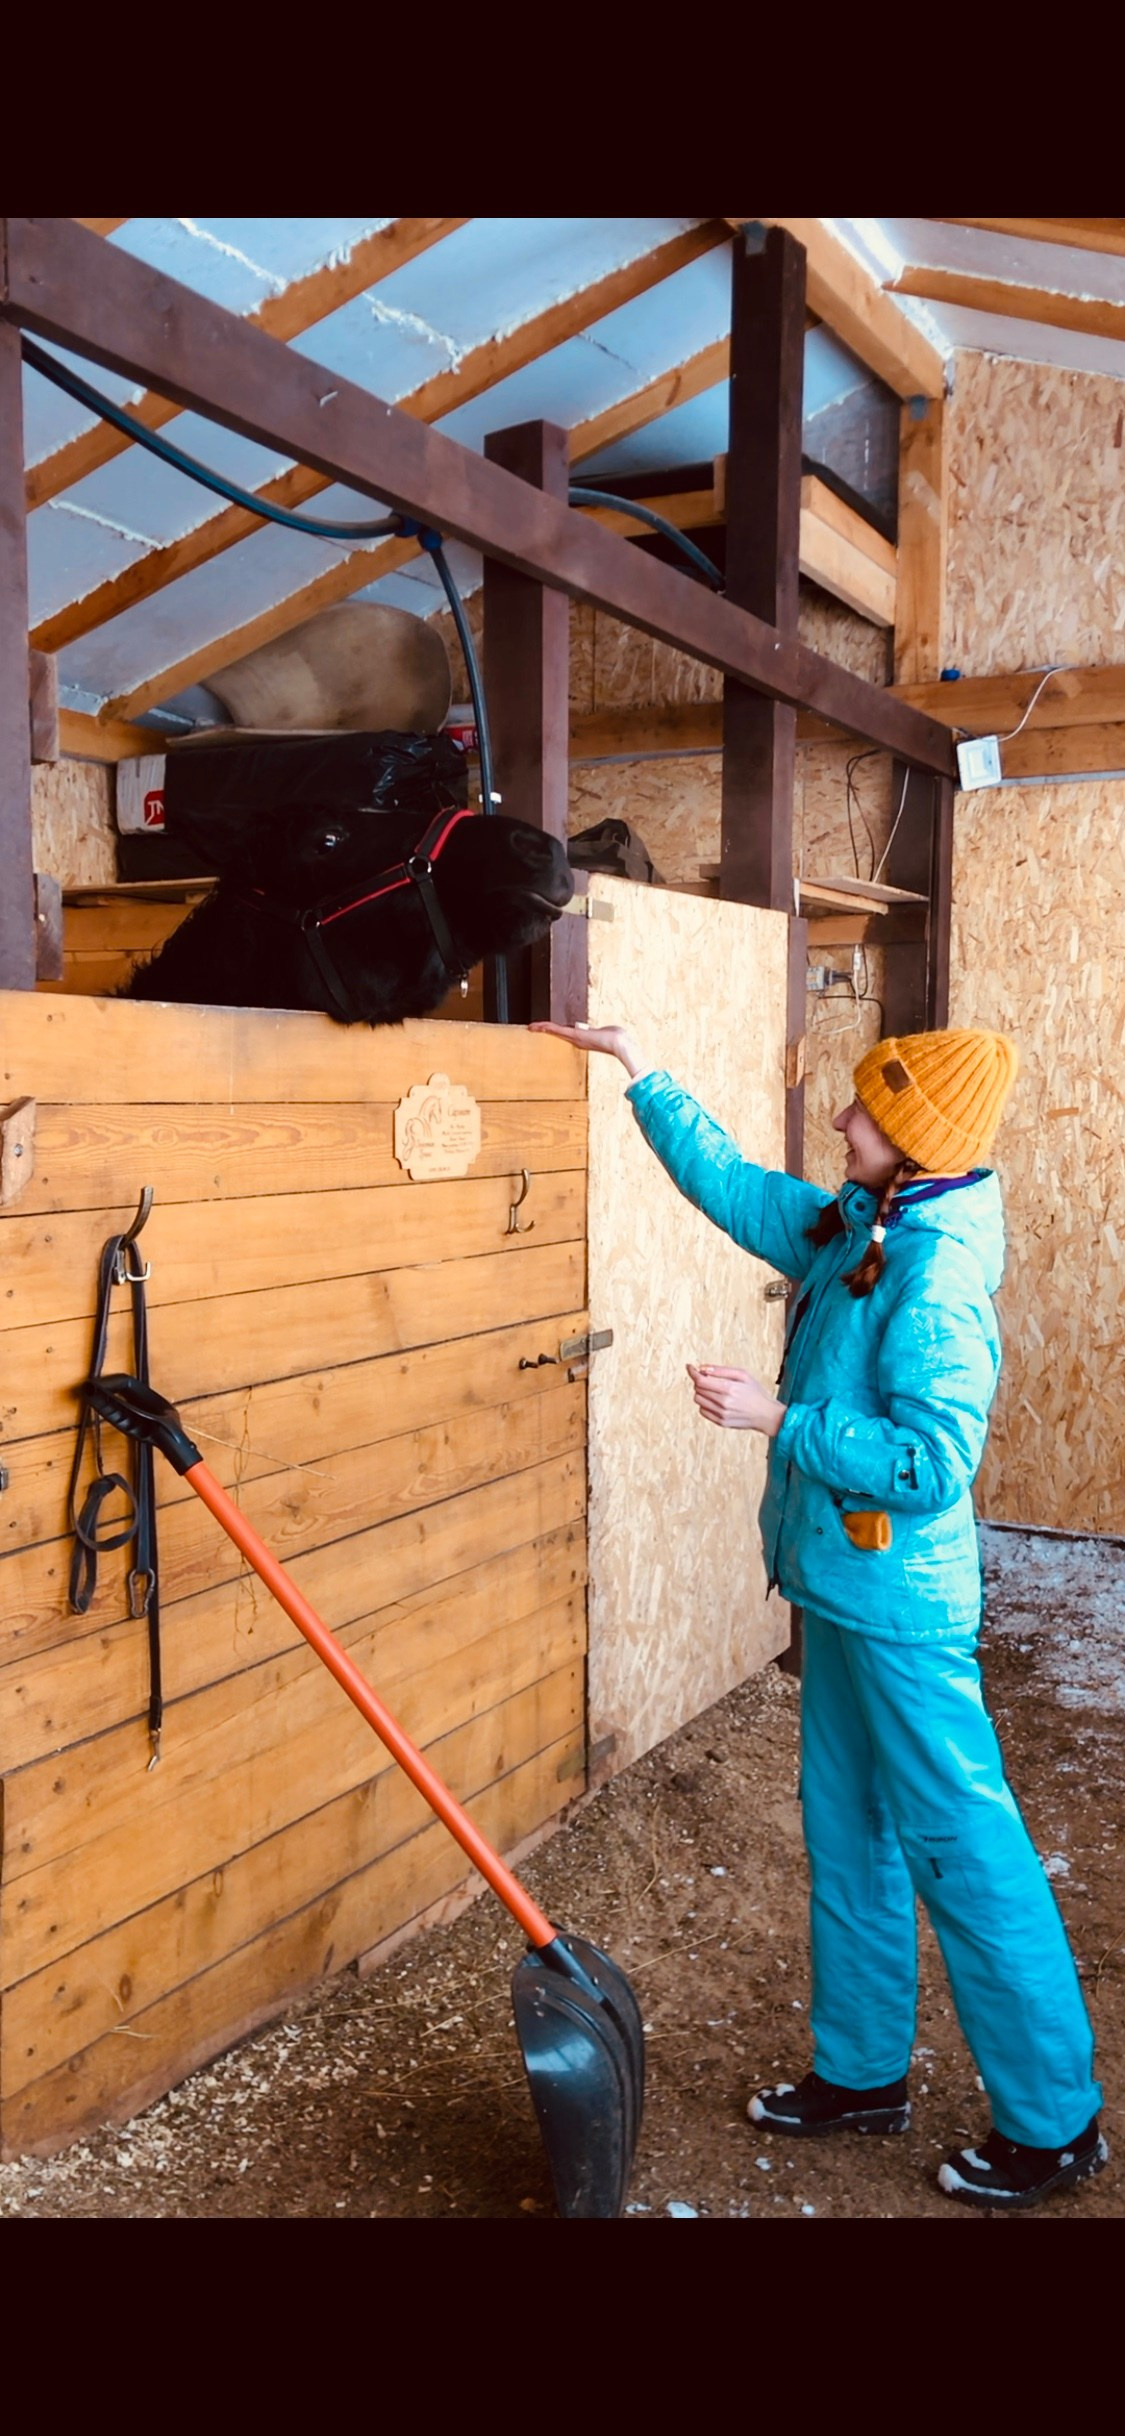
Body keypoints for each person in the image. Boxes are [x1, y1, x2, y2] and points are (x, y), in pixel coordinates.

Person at [531, 1015, 1106, 2211]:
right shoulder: (864, 1223)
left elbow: (934, 1462)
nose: (843, 1121)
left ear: (913, 1137)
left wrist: (777, 1420)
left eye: (863, 1110)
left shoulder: (937, 1272)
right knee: (847, 1832)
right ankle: (861, 2074)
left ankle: (1055, 2122)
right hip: (841, 1590)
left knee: (965, 1849)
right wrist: (644, 1073)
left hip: (903, 1607)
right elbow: (739, 1190)